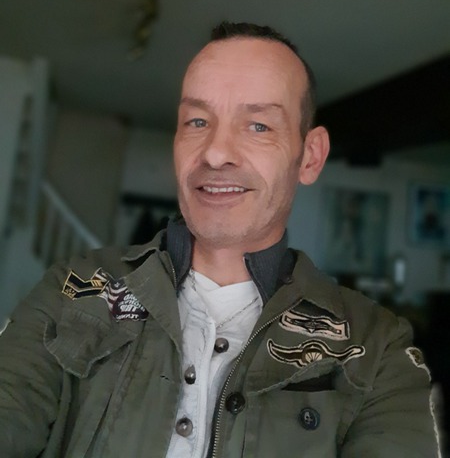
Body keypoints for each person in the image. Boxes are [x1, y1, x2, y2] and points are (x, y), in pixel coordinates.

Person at [0, 22, 441, 457]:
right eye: (197, 121)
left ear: (309, 157)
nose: (214, 152)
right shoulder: (74, 289)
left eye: (258, 126)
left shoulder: (376, 348)